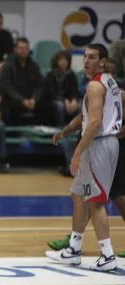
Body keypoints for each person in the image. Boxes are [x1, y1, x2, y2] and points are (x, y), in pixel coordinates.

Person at [45, 44, 122, 271]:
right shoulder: (109, 82)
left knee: (95, 203)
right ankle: (73, 249)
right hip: (103, 143)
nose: (86, 61)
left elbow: (95, 121)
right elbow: (86, 115)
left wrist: (77, 151)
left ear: (103, 61)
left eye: (92, 57)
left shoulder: (95, 85)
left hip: (98, 145)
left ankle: (107, 255)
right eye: (85, 56)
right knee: (78, 194)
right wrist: (65, 132)